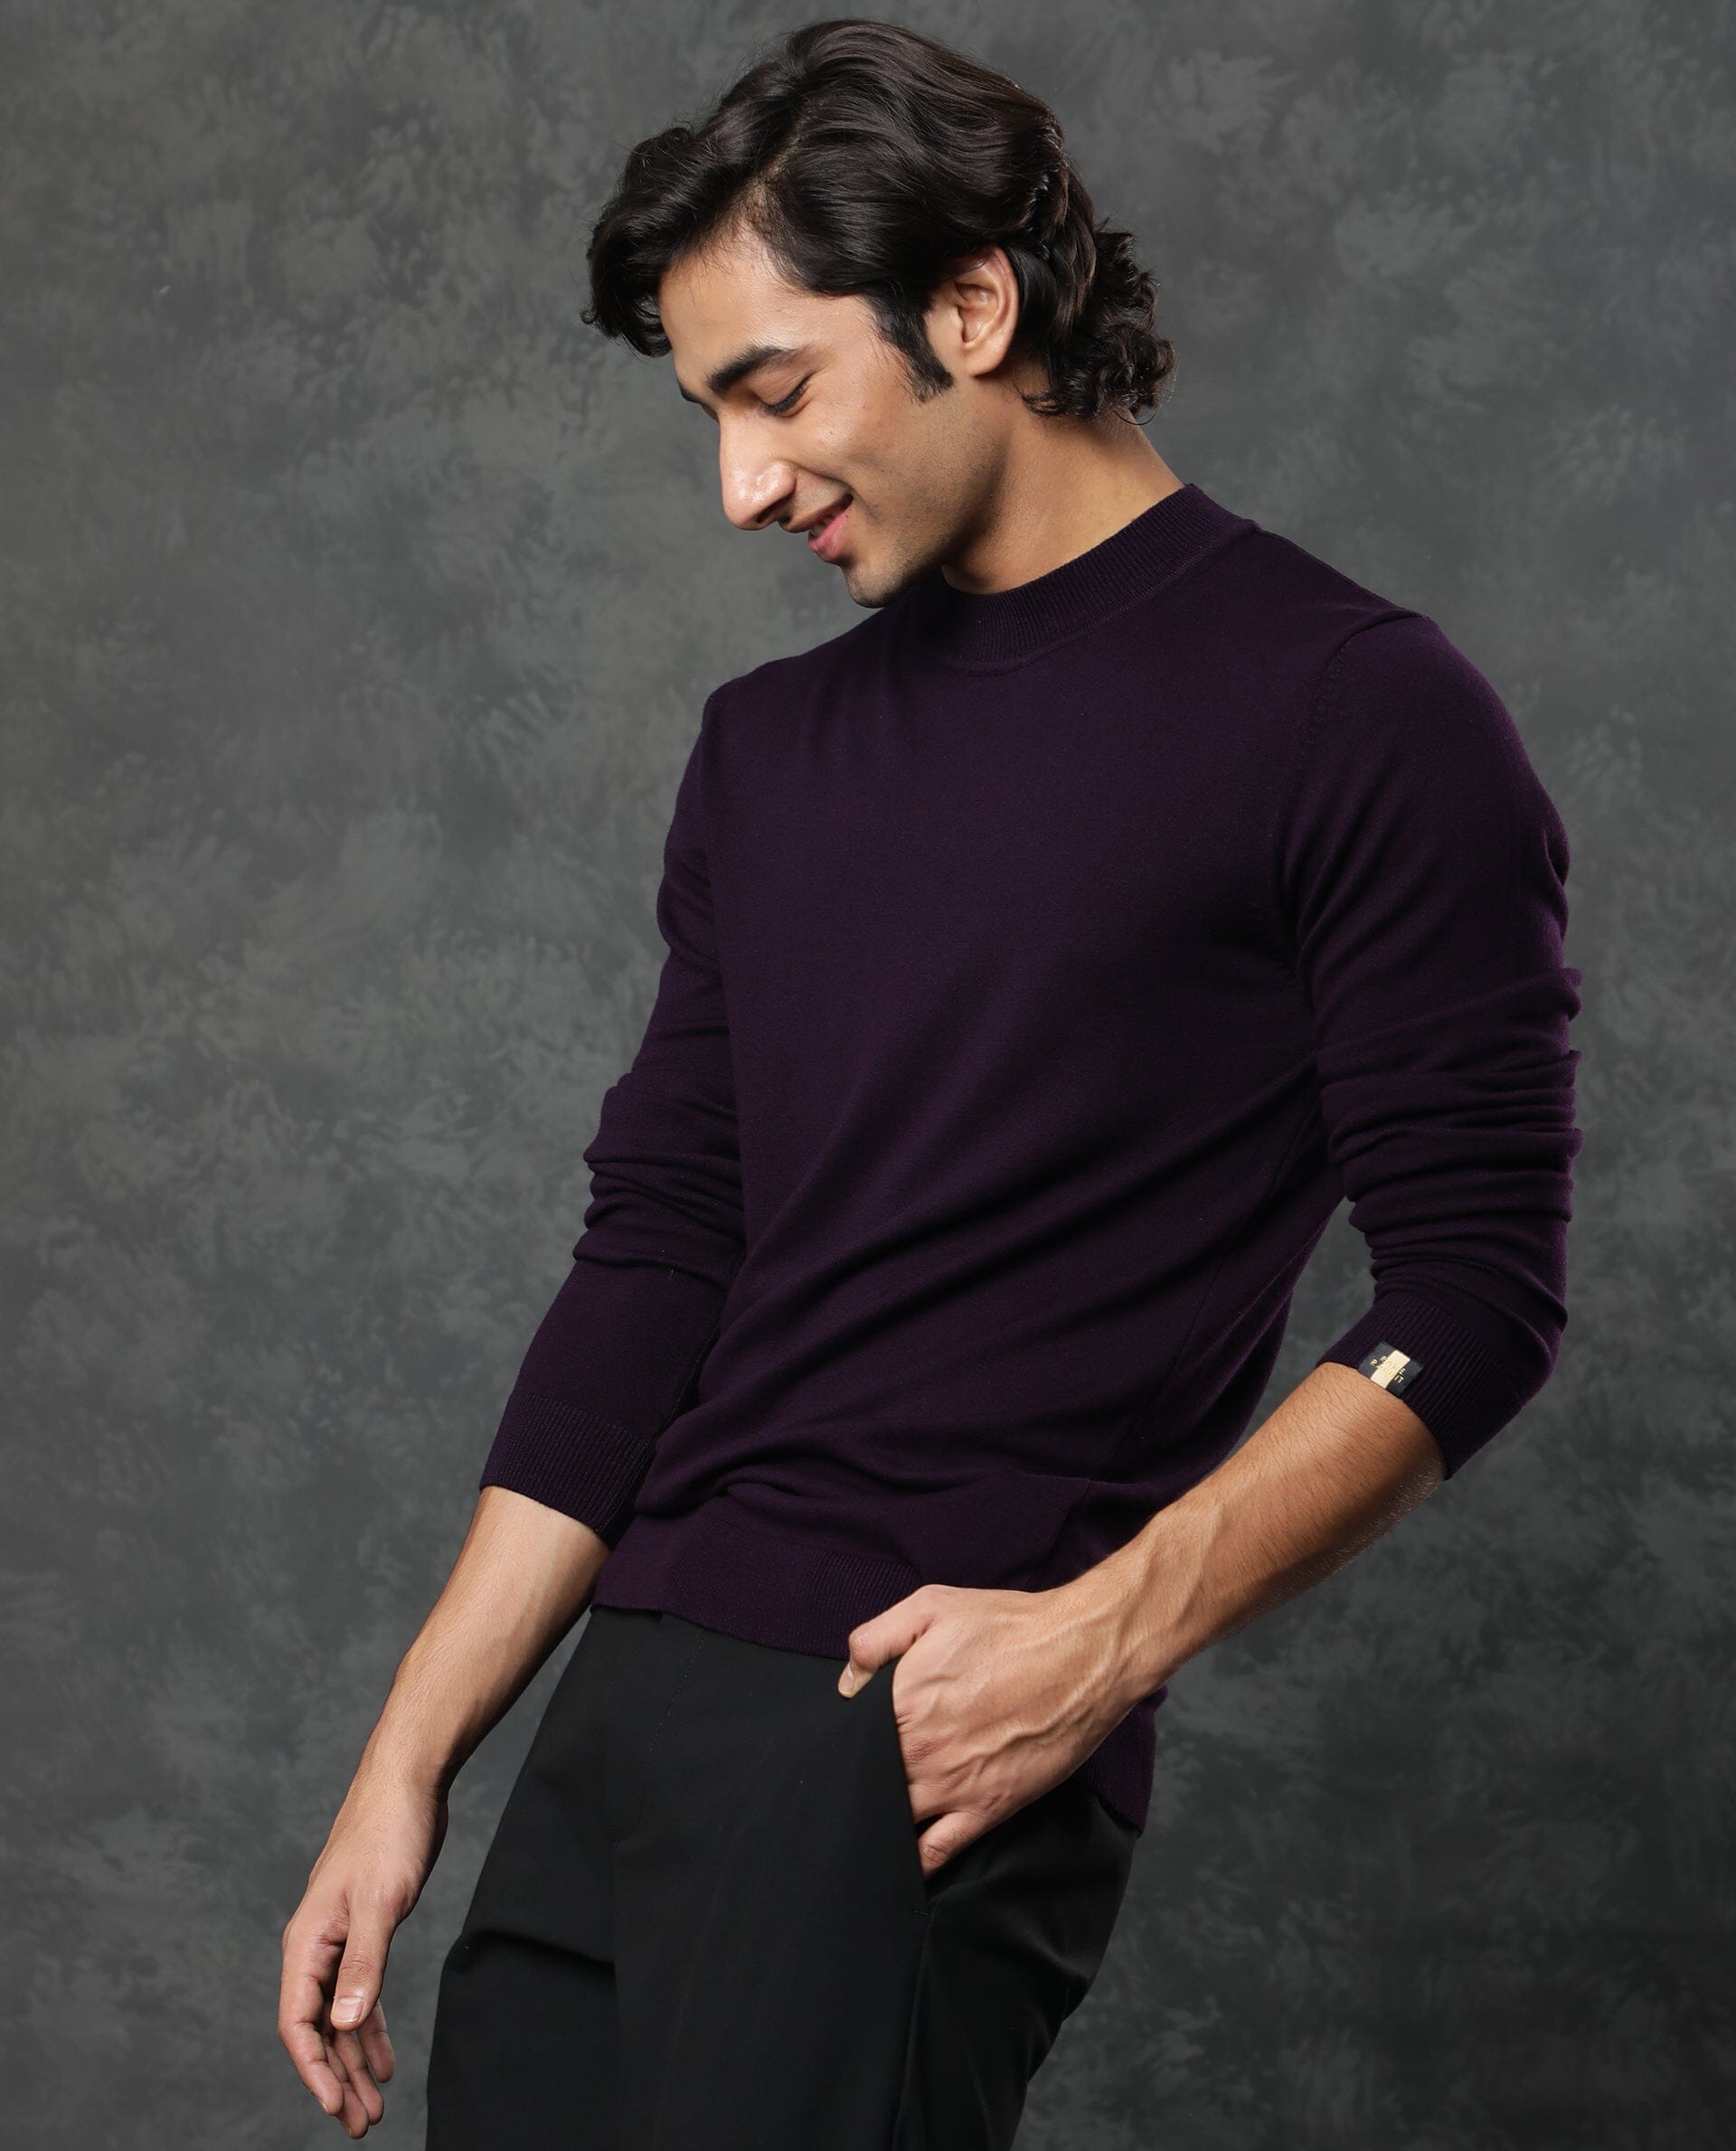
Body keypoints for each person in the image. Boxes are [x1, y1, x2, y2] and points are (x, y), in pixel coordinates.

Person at [277, 20, 1583, 2146]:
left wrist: (1105, 1636)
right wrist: (408, 1754)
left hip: (910, 1713)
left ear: (973, 304)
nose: (741, 486)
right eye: (709, 414)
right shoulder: (765, 752)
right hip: (623, 1711)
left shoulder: (1354, 711)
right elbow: (657, 1264)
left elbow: (1480, 1288)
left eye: (777, 392)